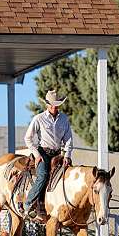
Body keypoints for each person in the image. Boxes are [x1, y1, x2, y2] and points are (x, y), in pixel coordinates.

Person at [22, 90, 73, 218]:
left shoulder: (64, 119)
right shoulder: (38, 119)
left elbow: (68, 139)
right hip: (42, 152)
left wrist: (67, 155)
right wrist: (36, 154)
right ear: (47, 105)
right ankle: (28, 203)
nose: (54, 107)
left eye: (56, 105)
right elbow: (28, 138)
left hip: (57, 154)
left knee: (68, 175)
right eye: (51, 105)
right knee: (43, 175)